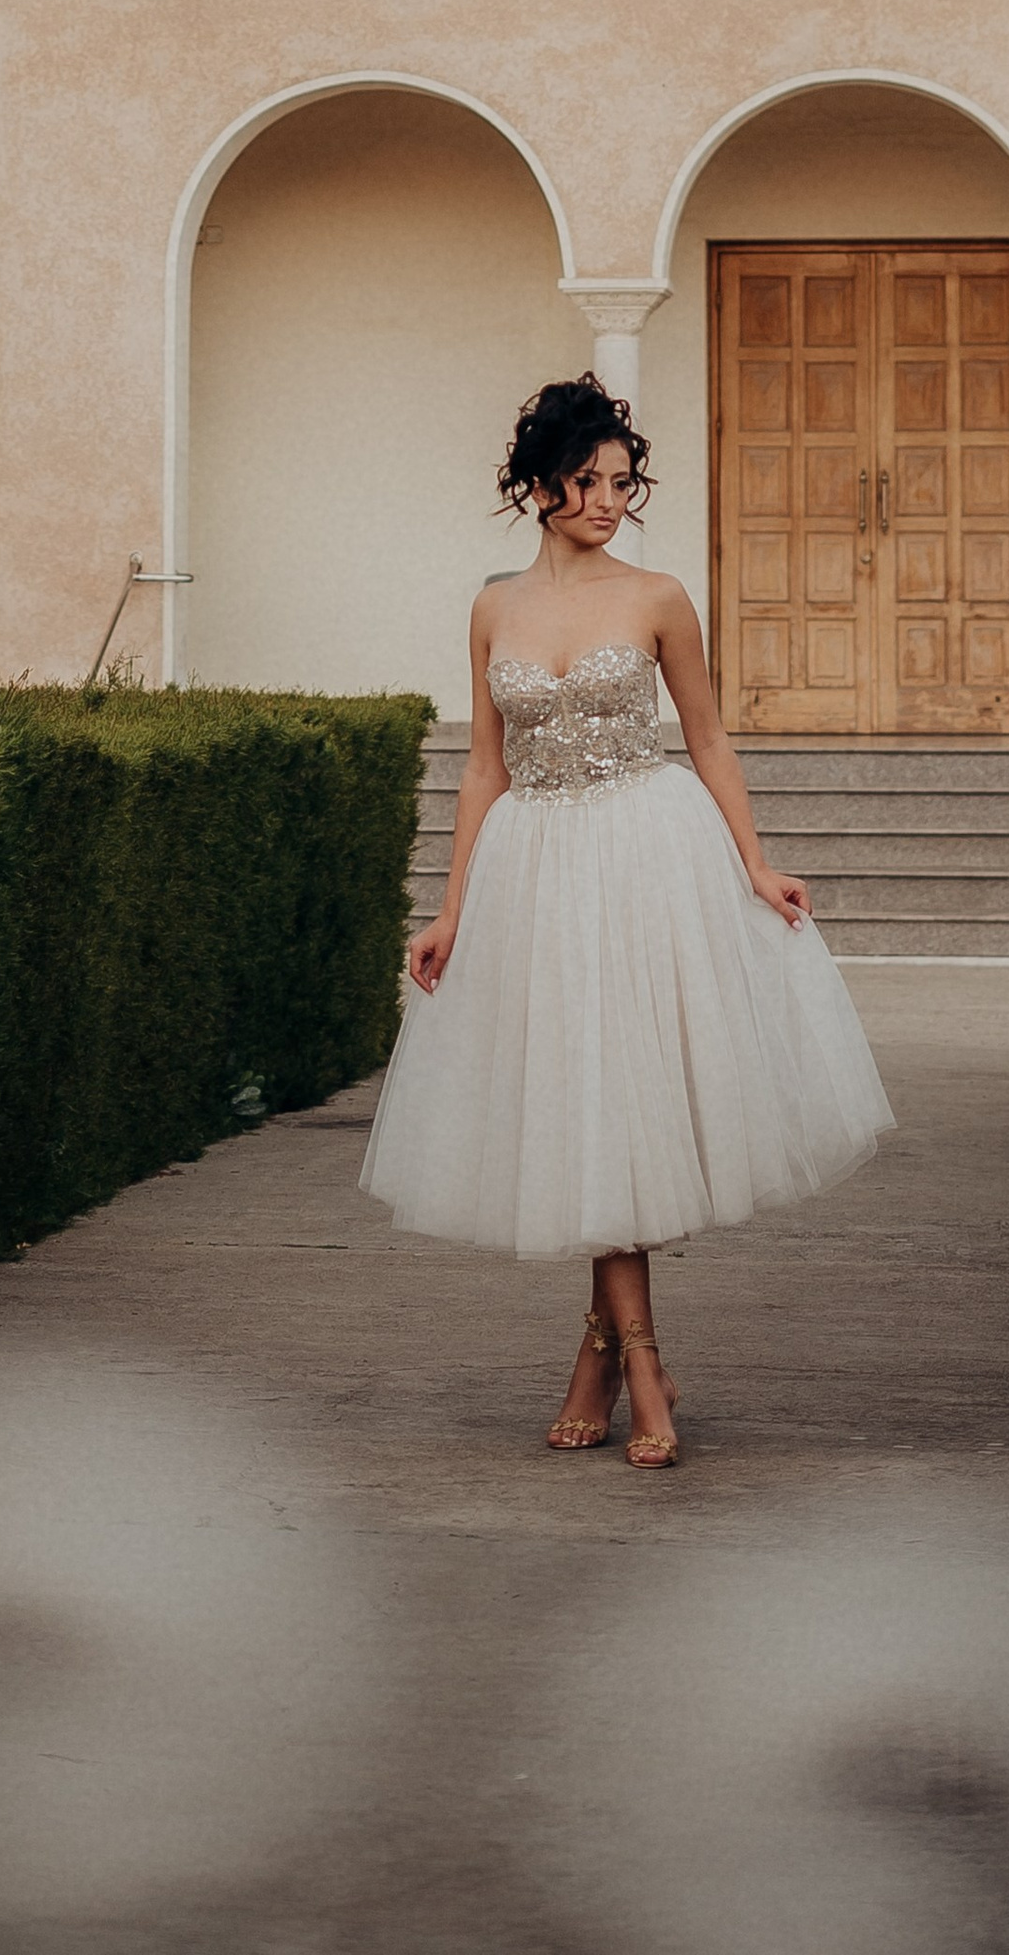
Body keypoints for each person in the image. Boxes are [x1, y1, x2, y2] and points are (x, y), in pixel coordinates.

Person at [359, 373, 894, 1465]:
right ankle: (615, 1355)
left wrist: (752, 861)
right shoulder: (493, 605)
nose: (610, 498)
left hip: (646, 855)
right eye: (589, 479)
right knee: (579, 1105)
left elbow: (706, 739)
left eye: (621, 480)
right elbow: (482, 769)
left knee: (620, 1101)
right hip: (533, 870)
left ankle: (632, 1364)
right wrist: (450, 907)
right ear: (539, 482)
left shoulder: (655, 597)